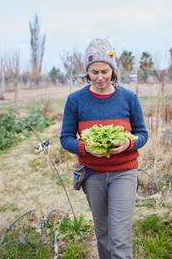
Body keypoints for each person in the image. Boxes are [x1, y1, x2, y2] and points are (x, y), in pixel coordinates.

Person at [60, 37, 148, 259]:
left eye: (105, 71)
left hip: (124, 173)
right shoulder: (75, 100)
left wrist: (128, 143)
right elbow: (66, 138)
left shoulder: (128, 98)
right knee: (103, 234)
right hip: (92, 175)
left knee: (119, 239)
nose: (100, 77)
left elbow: (143, 134)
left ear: (113, 70)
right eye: (94, 72)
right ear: (87, 72)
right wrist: (85, 147)